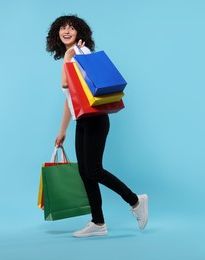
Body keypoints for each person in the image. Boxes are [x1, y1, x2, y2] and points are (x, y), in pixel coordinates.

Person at [46, 15, 148, 237]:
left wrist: (67, 59)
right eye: (62, 28)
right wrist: (62, 130)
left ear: (79, 32)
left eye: (71, 28)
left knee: (93, 169)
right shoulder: (70, 56)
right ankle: (98, 223)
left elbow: (66, 82)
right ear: (57, 34)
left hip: (95, 119)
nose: (66, 31)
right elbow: (69, 97)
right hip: (82, 120)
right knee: (85, 173)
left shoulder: (82, 54)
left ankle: (135, 200)